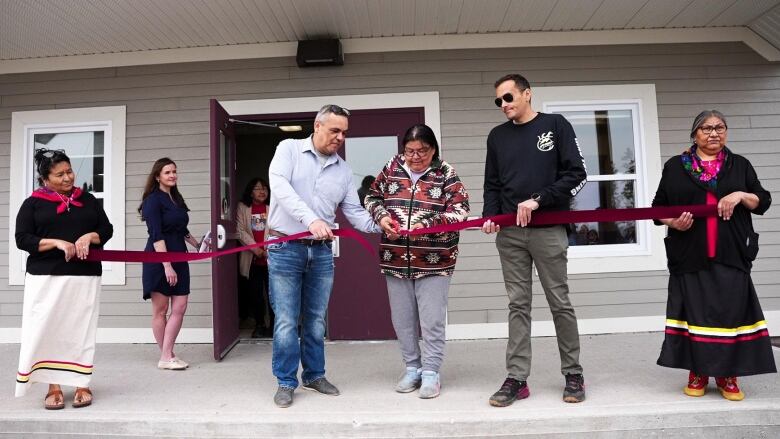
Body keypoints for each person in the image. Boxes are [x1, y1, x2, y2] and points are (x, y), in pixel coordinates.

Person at [652, 110, 775, 401]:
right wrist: (673, 222)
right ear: (694, 134)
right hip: (689, 252)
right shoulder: (675, 167)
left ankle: (726, 375)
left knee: (729, 313)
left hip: (731, 252)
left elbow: (762, 201)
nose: (714, 133)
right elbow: (658, 208)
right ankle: (698, 371)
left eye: (720, 127)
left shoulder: (740, 165)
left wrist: (740, 195)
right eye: (706, 128)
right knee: (694, 314)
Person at [481, 73, 588, 406]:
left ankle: (573, 374)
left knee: (559, 302)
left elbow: (578, 175)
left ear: (527, 94)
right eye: (498, 101)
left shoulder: (556, 125)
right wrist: (491, 215)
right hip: (510, 235)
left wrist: (539, 198)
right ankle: (517, 379)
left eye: (508, 97)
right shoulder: (497, 136)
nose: (503, 105)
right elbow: (493, 184)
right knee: (518, 305)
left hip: (548, 230)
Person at [267, 104, 381, 408]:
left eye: (344, 132)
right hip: (284, 249)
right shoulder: (288, 149)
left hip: (320, 253)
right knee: (287, 321)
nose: (340, 137)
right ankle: (286, 381)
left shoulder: (343, 170)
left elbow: (353, 211)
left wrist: (380, 225)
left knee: (316, 321)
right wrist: (311, 220)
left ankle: (315, 376)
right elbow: (279, 187)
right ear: (317, 126)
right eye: (335, 130)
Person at [365, 124, 470, 399]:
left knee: (432, 319)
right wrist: (381, 216)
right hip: (395, 258)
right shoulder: (392, 167)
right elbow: (371, 196)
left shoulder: (445, 173)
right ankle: (412, 367)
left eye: (422, 151)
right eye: (410, 151)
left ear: (433, 149)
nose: (415, 156)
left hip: (435, 260)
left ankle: (432, 372)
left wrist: (426, 224)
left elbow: (461, 210)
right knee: (402, 319)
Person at [15, 148, 113, 409]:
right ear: (45, 179)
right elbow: (22, 239)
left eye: (69, 171)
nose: (68, 178)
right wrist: (57, 242)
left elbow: (106, 230)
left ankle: (82, 383)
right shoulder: (33, 203)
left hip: (84, 275)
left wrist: (88, 237)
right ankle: (53, 386)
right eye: (60, 174)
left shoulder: (89, 200)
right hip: (45, 277)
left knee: (79, 330)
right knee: (50, 330)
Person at [139, 158, 200, 371]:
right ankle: (166, 355)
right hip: (159, 260)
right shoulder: (153, 200)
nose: (172, 175)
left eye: (174, 171)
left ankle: (168, 353)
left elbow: (181, 229)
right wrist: (166, 265)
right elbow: (156, 234)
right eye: (167, 172)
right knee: (161, 309)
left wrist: (198, 244)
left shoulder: (175, 198)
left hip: (180, 258)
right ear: (157, 176)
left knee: (180, 307)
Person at [237, 177, 274, 338]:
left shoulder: (272, 207)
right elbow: (239, 231)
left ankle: (274, 326)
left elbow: (278, 230)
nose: (262, 191)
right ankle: (259, 325)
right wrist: (257, 250)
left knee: (274, 294)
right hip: (252, 259)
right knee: (256, 295)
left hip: (271, 258)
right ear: (250, 192)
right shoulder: (243, 207)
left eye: (264, 188)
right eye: (258, 188)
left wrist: (267, 249)